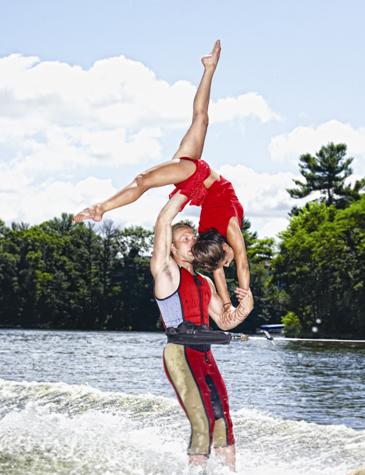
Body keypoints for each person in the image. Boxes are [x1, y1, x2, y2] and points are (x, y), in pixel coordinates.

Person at [73, 40, 250, 323]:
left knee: (200, 121)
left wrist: (230, 305)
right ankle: (101, 208)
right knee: (147, 176)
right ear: (227, 249)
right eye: (227, 259)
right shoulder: (228, 231)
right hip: (199, 178)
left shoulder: (207, 242)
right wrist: (244, 291)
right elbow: (241, 264)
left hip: (198, 184)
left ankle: (209, 68)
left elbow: (218, 270)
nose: (228, 263)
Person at [151, 184, 254, 471]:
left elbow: (224, 321)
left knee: (223, 421)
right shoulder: (166, 272)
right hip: (180, 355)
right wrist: (188, 189)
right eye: (184, 239)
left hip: (205, 355)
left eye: (193, 237)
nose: (192, 241)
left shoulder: (205, 282)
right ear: (172, 248)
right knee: (203, 421)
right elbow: (163, 221)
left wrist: (245, 308)